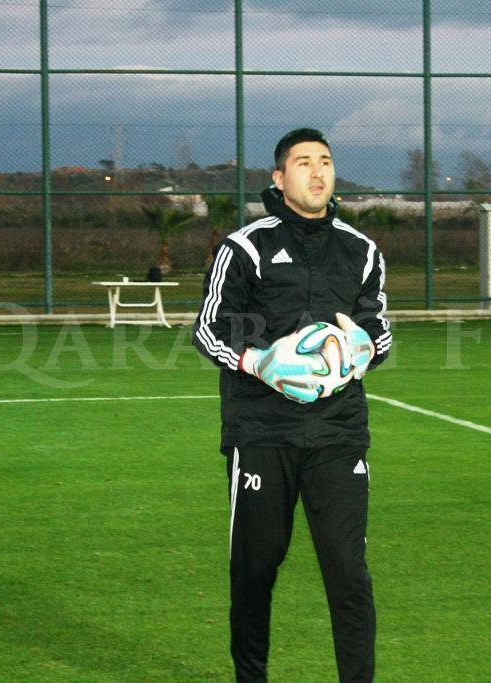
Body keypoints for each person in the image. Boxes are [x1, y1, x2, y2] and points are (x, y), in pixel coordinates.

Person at [192, 128, 392, 682]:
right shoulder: (244, 248)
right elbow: (209, 329)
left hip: (337, 433)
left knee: (348, 571)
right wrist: (259, 362)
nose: (317, 171)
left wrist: (363, 350)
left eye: (325, 161)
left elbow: (379, 330)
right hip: (262, 432)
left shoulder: (361, 250)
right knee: (255, 570)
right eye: (303, 162)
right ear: (279, 179)